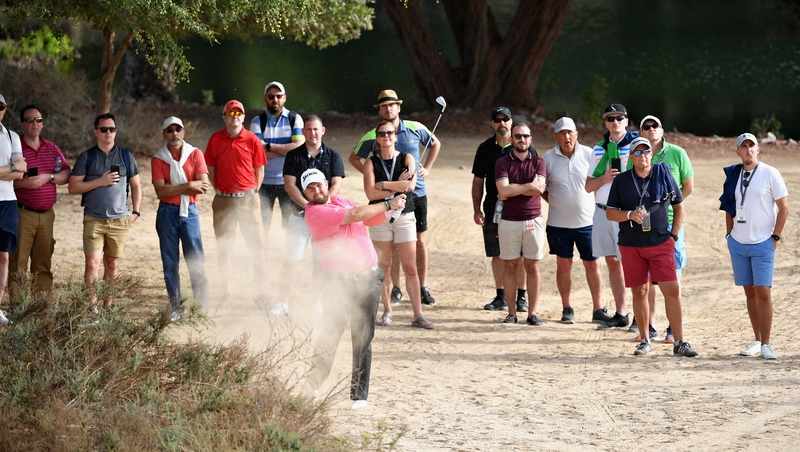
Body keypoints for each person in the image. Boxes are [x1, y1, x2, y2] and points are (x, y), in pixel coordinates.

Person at [301, 168, 406, 410]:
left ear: (326, 184)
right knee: (330, 336)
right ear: (305, 194)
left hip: (368, 279)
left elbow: (367, 219)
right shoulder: (314, 213)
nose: (316, 191)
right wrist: (388, 203)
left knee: (363, 337)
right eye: (310, 188)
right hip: (338, 284)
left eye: (318, 185)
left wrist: (390, 211)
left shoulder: (340, 200)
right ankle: (311, 386)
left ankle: (359, 395)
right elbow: (356, 214)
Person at [606, 137, 698, 357]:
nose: (642, 156)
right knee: (640, 291)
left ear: (651, 154)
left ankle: (679, 341)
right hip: (631, 245)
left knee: (672, 290)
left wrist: (673, 236)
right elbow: (610, 212)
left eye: (645, 151)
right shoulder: (622, 180)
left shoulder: (663, 174)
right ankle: (645, 340)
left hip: (661, 242)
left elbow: (679, 207)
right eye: (637, 152)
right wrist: (629, 214)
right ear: (630, 157)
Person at [350, 89, 441, 306]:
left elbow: (435, 143)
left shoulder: (415, 128)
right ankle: (396, 288)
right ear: (379, 110)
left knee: (419, 240)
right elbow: (354, 158)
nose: (388, 108)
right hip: (385, 199)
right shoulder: (374, 134)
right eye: (384, 106)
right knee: (391, 244)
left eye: (392, 105)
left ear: (398, 107)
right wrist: (371, 178)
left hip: (416, 194)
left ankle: (422, 287)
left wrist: (427, 168)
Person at [719, 133, 788, 360]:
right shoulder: (733, 174)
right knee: (749, 291)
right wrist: (729, 234)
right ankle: (757, 340)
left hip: (763, 242)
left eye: (752, 146)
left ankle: (767, 344)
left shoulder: (770, 173)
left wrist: (774, 237)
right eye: (744, 146)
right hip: (738, 243)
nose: (748, 150)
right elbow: (729, 205)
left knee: (763, 292)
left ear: (758, 149)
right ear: (738, 151)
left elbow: (784, 207)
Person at [363, 120, 433, 329]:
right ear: (377, 138)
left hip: (405, 215)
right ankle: (387, 311)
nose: (386, 136)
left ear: (395, 136)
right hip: (380, 216)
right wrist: (396, 187)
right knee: (384, 266)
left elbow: (410, 186)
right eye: (382, 133)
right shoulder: (371, 163)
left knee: (410, 267)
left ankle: (418, 315)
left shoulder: (407, 158)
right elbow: (370, 193)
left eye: (389, 133)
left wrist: (383, 185)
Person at [68, 113, 142, 310]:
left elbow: (136, 186)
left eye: (112, 129)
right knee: (92, 263)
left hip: (119, 221)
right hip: (94, 219)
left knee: (111, 264)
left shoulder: (126, 156)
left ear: (116, 131)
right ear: (96, 132)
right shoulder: (87, 156)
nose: (108, 133)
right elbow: (73, 187)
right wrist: (100, 181)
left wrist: (136, 212)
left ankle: (108, 308)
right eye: (103, 129)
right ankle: (92, 309)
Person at [631, 115, 694, 343]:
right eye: (646, 127)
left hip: (670, 223)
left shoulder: (677, 153)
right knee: (647, 277)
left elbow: (688, 186)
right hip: (645, 225)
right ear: (641, 132)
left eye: (654, 126)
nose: (651, 129)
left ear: (662, 130)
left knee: (672, 275)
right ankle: (650, 325)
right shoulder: (636, 154)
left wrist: (666, 205)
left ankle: (672, 328)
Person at [279, 115, 345, 315]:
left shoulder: (333, 156)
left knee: (320, 261)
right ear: (303, 132)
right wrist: (308, 206)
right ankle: (283, 303)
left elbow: (336, 184)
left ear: (322, 131)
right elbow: (290, 185)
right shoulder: (293, 155)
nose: (312, 133)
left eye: (316, 129)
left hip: (324, 219)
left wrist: (321, 208)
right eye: (308, 129)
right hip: (299, 215)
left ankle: (316, 302)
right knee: (292, 260)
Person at [205, 100, 270, 303]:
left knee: (257, 247)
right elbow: (211, 169)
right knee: (224, 248)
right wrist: (220, 189)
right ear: (224, 117)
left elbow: (260, 171)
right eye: (230, 113)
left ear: (243, 117)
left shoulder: (252, 140)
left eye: (238, 113)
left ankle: (262, 293)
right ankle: (227, 292)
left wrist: (252, 192)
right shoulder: (215, 139)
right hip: (223, 200)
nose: (234, 116)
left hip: (248, 200)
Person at [541, 117, 604, 323]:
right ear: (556, 137)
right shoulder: (547, 159)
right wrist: (556, 201)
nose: (567, 136)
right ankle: (567, 308)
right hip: (558, 224)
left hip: (587, 223)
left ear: (576, 134)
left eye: (570, 132)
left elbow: (599, 182)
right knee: (563, 265)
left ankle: (598, 308)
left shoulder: (589, 154)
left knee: (593, 265)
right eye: (562, 133)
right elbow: (542, 188)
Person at [9, 104, 71, 300]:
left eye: (38, 120)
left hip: (47, 216)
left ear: (42, 124)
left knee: (43, 264)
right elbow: (4, 180)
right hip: (22, 214)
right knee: (18, 264)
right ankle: (18, 308)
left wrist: (48, 178)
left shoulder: (52, 148)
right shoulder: (14, 148)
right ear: (21, 124)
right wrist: (23, 184)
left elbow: (67, 174)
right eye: (29, 120)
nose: (34, 123)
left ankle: (41, 308)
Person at [584, 103, 637, 330]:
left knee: (632, 262)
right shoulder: (598, 149)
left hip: (625, 212)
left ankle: (640, 315)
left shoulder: (636, 146)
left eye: (619, 118)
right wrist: (604, 178)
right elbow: (588, 186)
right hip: (602, 210)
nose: (615, 122)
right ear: (605, 123)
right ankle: (621, 313)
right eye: (610, 118)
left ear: (626, 121)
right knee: (612, 262)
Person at [151, 116, 210, 321]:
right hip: (166, 213)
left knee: (196, 260)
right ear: (164, 134)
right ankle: (175, 307)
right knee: (170, 262)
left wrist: (175, 188)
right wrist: (188, 185)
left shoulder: (195, 154)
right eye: (170, 130)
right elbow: (160, 191)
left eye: (178, 129)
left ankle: (201, 307)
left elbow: (202, 186)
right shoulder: (158, 159)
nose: (174, 133)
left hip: (190, 212)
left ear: (183, 132)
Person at [471, 107, 528, 312]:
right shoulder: (485, 148)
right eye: (497, 119)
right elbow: (478, 181)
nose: (502, 123)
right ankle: (501, 296)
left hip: (519, 209)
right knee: (497, 253)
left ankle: (522, 297)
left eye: (506, 119)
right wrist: (477, 209)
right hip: (492, 208)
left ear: (511, 122)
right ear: (492, 123)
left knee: (520, 255)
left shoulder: (523, 144)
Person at [495, 123, 546, 325]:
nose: (521, 139)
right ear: (511, 139)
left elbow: (539, 189)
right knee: (510, 266)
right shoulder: (502, 163)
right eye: (517, 136)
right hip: (509, 221)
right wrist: (529, 186)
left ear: (530, 139)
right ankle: (511, 313)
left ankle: (532, 313)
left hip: (533, 220)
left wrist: (514, 188)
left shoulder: (539, 163)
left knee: (533, 267)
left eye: (525, 136)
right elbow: (503, 191)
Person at [249, 81, 304, 234]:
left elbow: (298, 148)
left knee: (290, 224)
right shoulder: (257, 122)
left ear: (284, 98)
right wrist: (286, 149)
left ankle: (289, 250)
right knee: (262, 224)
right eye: (271, 96)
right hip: (263, 181)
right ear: (265, 98)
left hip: (289, 181)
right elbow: (256, 152)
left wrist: (267, 146)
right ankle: (263, 249)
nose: (275, 99)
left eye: (279, 96)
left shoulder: (295, 119)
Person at [0, 93, 25, 326]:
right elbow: (15, 168)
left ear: (5, 109)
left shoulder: (11, 136)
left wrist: (14, 169)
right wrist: (11, 168)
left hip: (7, 201)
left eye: (0, 106)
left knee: (4, 255)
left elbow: (21, 170)